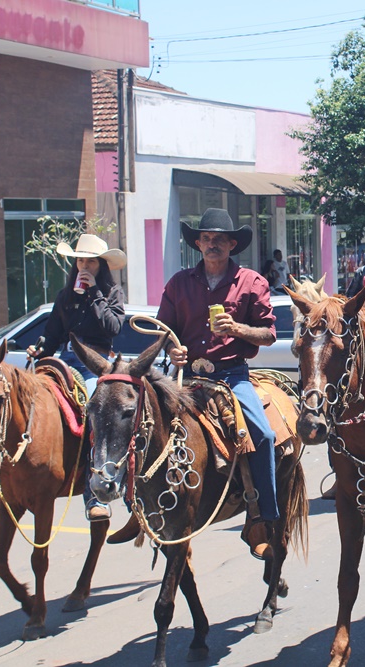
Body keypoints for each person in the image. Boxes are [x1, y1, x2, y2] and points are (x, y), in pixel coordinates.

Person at [109, 208, 280, 555]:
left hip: (231, 375)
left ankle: (264, 516)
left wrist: (238, 329)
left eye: (219, 239)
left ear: (232, 244)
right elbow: (164, 331)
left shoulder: (251, 282)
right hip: (185, 379)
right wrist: (174, 351)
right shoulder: (178, 283)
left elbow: (269, 334)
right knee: (136, 426)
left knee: (263, 434)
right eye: (206, 238)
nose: (211, 243)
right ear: (197, 243)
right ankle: (137, 509)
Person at [8, 234, 126, 521]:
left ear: (101, 265)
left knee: (95, 414)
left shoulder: (112, 293)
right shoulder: (64, 297)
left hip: (95, 363)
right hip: (64, 359)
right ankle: (7, 484)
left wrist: (94, 292)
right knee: (21, 404)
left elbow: (112, 328)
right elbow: (53, 335)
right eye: (80, 260)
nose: (84, 265)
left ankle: (94, 496)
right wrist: (39, 347)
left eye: (90, 261)